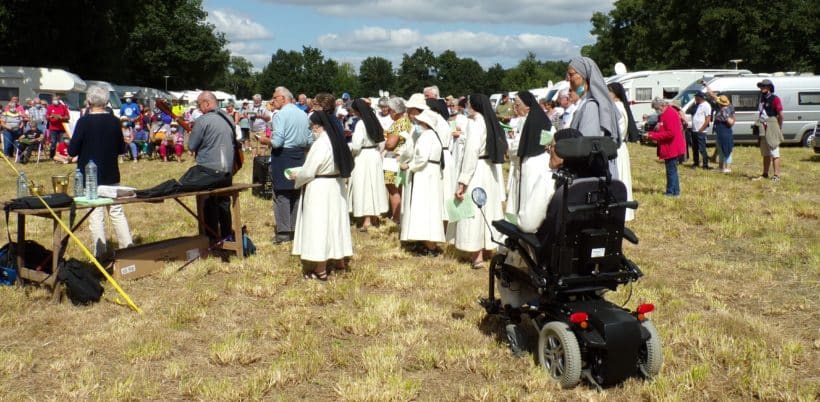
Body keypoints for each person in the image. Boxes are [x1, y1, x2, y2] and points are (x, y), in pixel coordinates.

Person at [68, 85, 133, 258]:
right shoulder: (114, 121)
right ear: (106, 102)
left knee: (96, 214)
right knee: (117, 212)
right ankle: (128, 249)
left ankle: (100, 253)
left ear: (88, 102)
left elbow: (72, 150)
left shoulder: (83, 122)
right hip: (111, 173)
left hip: (89, 176)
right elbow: (121, 148)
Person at [290, 110, 354, 280]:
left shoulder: (320, 144)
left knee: (319, 226)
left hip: (320, 188)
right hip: (336, 186)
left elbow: (309, 170)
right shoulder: (338, 141)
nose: (312, 130)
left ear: (318, 126)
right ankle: (340, 262)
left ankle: (320, 269)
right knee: (336, 224)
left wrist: (298, 176)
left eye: (312, 127)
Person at [451, 94, 506, 269]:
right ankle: (488, 248)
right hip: (489, 170)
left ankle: (477, 255)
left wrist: (463, 181)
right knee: (487, 210)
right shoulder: (491, 122)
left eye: (468, 104)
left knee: (473, 211)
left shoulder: (475, 124)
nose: (466, 106)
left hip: (477, 170)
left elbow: (471, 153)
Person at [259, 86, 313, 244]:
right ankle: (295, 229)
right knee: (295, 193)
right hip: (299, 155)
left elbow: (277, 142)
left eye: (275, 98)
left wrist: (264, 141)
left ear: (283, 98)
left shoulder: (280, 115)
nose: (273, 101)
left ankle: (283, 232)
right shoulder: (303, 115)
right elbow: (309, 140)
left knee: (281, 195)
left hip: (283, 155)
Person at [187, 91, 236, 241]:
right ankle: (227, 235)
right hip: (227, 170)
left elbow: (191, 145)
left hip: (208, 170)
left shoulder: (203, 120)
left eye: (199, 104)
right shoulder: (229, 118)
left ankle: (212, 239)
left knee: (209, 204)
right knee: (224, 203)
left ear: (207, 103)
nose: (198, 108)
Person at [399, 109, 446, 255]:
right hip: (430, 173)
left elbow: (422, 158)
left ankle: (430, 246)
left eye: (419, 121)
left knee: (424, 208)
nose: (417, 123)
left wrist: (409, 166)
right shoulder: (433, 135)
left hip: (424, 174)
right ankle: (427, 243)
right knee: (429, 208)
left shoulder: (426, 136)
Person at [566, 56, 621, 179]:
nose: (567, 79)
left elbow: (586, 146)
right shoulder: (585, 103)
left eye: (571, 74)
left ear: (583, 76)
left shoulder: (592, 106)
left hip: (591, 176)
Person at [511, 91, 556, 232]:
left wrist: (508, 144)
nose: (515, 108)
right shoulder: (541, 121)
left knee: (529, 202)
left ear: (528, 108)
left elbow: (517, 147)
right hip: (529, 165)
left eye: (518, 105)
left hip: (533, 167)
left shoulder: (531, 123)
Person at [347, 98, 389, 231]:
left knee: (364, 187)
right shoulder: (374, 120)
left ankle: (367, 220)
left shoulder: (360, 124)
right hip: (375, 155)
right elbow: (382, 141)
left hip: (363, 157)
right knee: (374, 186)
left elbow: (357, 145)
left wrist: (349, 149)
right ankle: (375, 217)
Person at [607, 82, 637, 221]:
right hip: (621, 147)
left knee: (618, 179)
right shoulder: (621, 106)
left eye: (609, 91)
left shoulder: (616, 107)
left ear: (615, 93)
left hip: (616, 148)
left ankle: (619, 212)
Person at [645, 98, 686, 197]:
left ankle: (670, 192)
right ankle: (676, 192)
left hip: (672, 146)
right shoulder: (665, 113)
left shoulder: (670, 114)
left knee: (671, 171)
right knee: (673, 170)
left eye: (656, 108)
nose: (656, 111)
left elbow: (670, 133)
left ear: (662, 106)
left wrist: (652, 136)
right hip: (670, 146)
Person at [382, 97, 412, 224]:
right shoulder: (406, 121)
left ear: (395, 111)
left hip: (392, 158)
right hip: (400, 158)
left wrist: (384, 141)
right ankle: (398, 216)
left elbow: (390, 144)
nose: (388, 112)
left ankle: (396, 218)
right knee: (398, 188)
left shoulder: (399, 123)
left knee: (393, 188)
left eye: (390, 110)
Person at [753, 79, 784, 181]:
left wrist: (778, 127)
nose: (762, 88)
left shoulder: (775, 99)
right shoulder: (762, 98)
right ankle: (765, 173)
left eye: (764, 86)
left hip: (772, 125)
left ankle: (776, 175)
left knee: (774, 151)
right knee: (765, 152)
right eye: (761, 86)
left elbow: (781, 115)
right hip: (762, 126)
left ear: (770, 87)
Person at [706, 89, 735, 173]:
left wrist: (730, 120)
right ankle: (721, 167)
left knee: (726, 148)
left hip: (724, 131)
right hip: (720, 131)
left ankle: (728, 168)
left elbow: (730, 122)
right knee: (720, 148)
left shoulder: (724, 110)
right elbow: (713, 96)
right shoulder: (725, 108)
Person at [690, 91, 712, 169]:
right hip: (694, 130)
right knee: (694, 148)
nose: (695, 98)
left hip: (701, 131)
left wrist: (701, 129)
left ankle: (705, 165)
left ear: (700, 97)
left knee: (702, 148)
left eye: (696, 97)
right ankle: (696, 163)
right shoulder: (696, 105)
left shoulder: (706, 105)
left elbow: (708, 119)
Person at [46, 95, 70, 159]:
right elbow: (47, 116)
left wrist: (61, 117)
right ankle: (52, 156)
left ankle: (62, 156)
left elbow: (68, 117)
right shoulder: (50, 107)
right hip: (53, 128)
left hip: (61, 128)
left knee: (62, 143)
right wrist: (50, 117)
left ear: (59, 100)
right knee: (53, 142)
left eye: (56, 100)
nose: (54, 101)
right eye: (53, 100)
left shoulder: (63, 107)